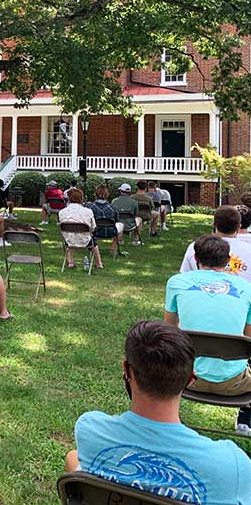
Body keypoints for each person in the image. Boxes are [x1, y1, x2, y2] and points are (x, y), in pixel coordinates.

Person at [66, 320, 251, 502]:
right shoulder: (232, 466)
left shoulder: (90, 430)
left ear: (126, 371)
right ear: (191, 380)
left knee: (72, 457)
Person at [165, 234, 251, 436]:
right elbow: (248, 338)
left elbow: (168, 330)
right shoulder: (247, 289)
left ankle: (169, 425)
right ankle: (246, 421)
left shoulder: (176, 282)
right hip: (235, 384)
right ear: (229, 261)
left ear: (195, 259)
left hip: (185, 379)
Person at [180, 205, 251, 284]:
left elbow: (185, 277)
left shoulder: (196, 247)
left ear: (214, 224)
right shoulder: (249, 250)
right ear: (239, 227)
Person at [58, 189, 104, 269]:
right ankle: (99, 263)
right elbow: (93, 228)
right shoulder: (88, 211)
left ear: (68, 199)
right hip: (85, 241)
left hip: (69, 241)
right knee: (94, 244)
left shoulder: (62, 212)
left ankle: (70, 262)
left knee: (70, 237)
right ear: (81, 199)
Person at [86, 184, 126, 258]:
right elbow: (117, 220)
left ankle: (91, 247)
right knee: (121, 225)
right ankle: (113, 249)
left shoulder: (89, 207)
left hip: (95, 231)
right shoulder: (113, 208)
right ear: (107, 194)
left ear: (95, 194)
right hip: (111, 232)